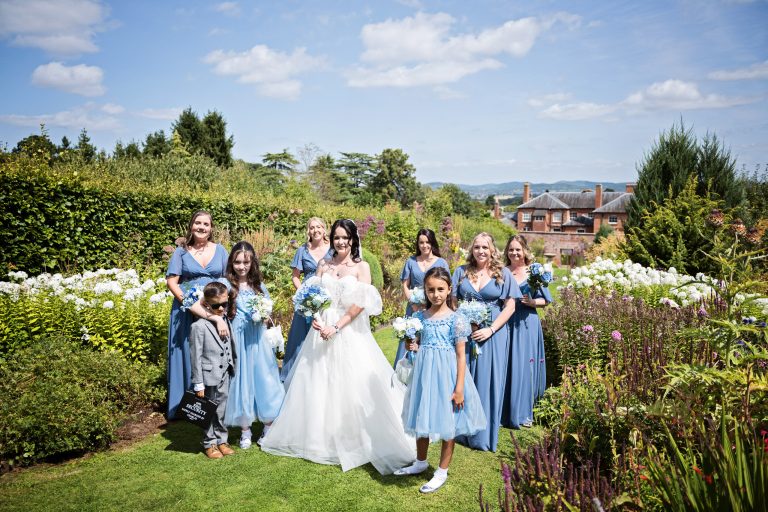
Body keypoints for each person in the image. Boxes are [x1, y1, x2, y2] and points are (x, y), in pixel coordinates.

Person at [260, 219, 415, 474]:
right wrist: (318, 319)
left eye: (345, 238)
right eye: (337, 238)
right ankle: (317, 436)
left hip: (347, 329)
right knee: (317, 378)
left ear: (353, 240)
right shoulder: (324, 264)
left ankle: (352, 436)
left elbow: (360, 304)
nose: (341, 242)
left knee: (351, 381)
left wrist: (337, 326)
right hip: (321, 328)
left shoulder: (362, 267)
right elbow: (309, 296)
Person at [395, 267, 486, 493]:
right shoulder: (419, 318)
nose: (435, 294)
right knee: (421, 413)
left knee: (449, 422)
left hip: (448, 375)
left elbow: (460, 356)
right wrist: (410, 344)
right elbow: (416, 343)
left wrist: (459, 388)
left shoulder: (457, 320)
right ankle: (420, 461)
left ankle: (442, 471)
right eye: (431, 290)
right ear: (425, 291)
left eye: (440, 289)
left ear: (449, 290)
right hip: (424, 374)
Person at [189, 241, 285, 449]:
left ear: (253, 263)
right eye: (238, 262)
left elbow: (268, 314)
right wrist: (217, 319)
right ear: (232, 262)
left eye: (246, 262)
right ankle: (245, 429)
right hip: (237, 341)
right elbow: (195, 304)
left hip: (257, 341)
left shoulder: (258, 285)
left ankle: (268, 426)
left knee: (265, 380)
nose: (242, 266)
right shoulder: (224, 283)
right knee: (241, 383)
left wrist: (264, 316)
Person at [451, 232, 520, 452]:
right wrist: (463, 323)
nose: (481, 251)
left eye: (485, 247)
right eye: (477, 247)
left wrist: (490, 329)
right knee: (465, 378)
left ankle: (482, 436)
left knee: (489, 381)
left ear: (492, 250)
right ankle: (462, 432)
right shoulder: (461, 272)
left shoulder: (503, 273)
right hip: (466, 334)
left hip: (493, 335)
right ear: (472, 249)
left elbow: (510, 306)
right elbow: (452, 302)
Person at [165, 211, 228, 419]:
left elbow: (229, 279)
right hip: (186, 310)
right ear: (191, 226)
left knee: (210, 352)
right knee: (186, 351)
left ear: (211, 228)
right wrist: (191, 303)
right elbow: (172, 282)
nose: (202, 227)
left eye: (206, 224)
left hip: (215, 307)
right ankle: (185, 407)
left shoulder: (220, 251)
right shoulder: (180, 252)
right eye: (198, 223)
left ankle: (212, 402)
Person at [501, 235, 552, 429]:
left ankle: (523, 413)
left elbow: (546, 300)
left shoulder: (534, 271)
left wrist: (532, 302)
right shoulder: (502, 271)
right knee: (507, 364)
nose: (514, 253)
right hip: (506, 321)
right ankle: (504, 411)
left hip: (526, 322)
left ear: (524, 251)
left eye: (518, 250)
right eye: (511, 249)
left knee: (524, 367)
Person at [190, 281, 237, 459]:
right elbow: (195, 356)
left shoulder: (225, 320)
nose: (221, 309)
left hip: (224, 372)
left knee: (222, 409)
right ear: (206, 304)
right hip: (208, 376)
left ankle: (222, 439)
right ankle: (209, 443)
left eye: (224, 304)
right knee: (208, 409)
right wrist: (198, 383)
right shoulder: (198, 327)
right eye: (216, 306)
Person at [281, 217, 332, 382]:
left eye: (318, 227)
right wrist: (304, 295)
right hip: (308, 299)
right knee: (301, 337)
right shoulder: (302, 251)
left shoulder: (333, 249)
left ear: (324, 230)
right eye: (312, 227)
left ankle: (323, 373)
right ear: (308, 231)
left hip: (328, 297)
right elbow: (295, 276)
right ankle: (296, 376)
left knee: (324, 331)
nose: (315, 230)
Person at [394, 228, 450, 367]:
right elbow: (405, 285)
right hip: (413, 309)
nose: (424, 245)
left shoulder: (441, 262)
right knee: (410, 340)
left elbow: (446, 286)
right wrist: (414, 303)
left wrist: (431, 304)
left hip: (433, 310)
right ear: (418, 244)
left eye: (427, 242)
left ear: (432, 243)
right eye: (421, 242)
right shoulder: (411, 261)